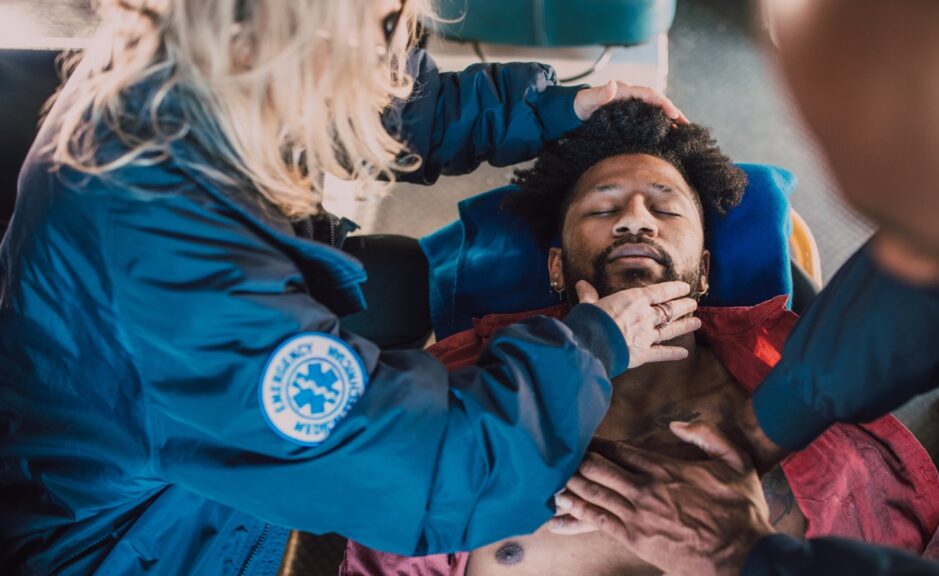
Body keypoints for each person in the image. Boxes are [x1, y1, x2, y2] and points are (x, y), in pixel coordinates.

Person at [0, 1, 697, 574]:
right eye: (383, 24)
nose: (396, 36)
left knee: (390, 275)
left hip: (134, 394)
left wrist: (547, 108)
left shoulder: (200, 60)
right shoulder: (175, 272)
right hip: (134, 544)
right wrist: (592, 347)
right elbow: (428, 477)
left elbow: (376, 101)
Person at [340, 100, 939, 575]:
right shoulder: (464, 392)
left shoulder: (810, 393)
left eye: (666, 206)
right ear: (556, 268)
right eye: (603, 208)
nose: (635, 217)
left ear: (706, 270)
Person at [551, 1, 939, 575]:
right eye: (889, 225)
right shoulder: (476, 399)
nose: (636, 219)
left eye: (920, 224)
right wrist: (761, 428)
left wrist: (747, 559)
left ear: (704, 269)